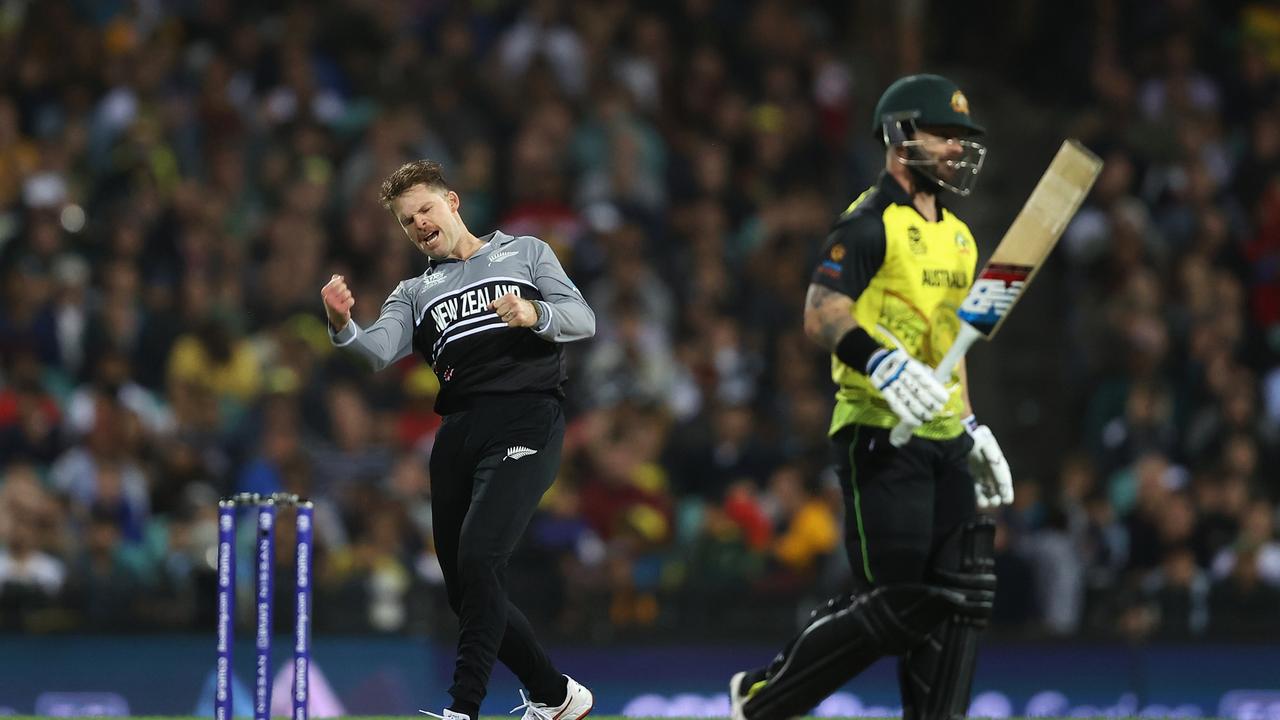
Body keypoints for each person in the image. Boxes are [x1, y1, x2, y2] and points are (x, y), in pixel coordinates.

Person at [728, 74, 1015, 720]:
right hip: (880, 432)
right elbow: (820, 313)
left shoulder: (964, 239)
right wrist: (881, 363)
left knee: (963, 595)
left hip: (944, 438)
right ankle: (765, 697)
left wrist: (972, 429)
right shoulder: (867, 222)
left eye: (961, 138)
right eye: (943, 134)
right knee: (899, 600)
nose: (954, 149)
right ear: (900, 134)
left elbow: (955, 346)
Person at [321, 160, 595, 720]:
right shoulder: (414, 291)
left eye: (424, 209)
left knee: (480, 556)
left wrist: (533, 311)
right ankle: (558, 695)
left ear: (452, 202)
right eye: (406, 220)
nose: (418, 223)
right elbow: (375, 351)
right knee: (465, 587)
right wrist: (342, 324)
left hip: (526, 417)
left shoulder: (527, 253)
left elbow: (582, 318)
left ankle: (463, 709)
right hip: (458, 435)